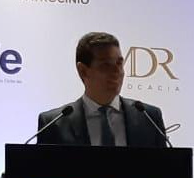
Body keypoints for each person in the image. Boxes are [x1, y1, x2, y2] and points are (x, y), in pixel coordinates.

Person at [36, 32, 168, 147]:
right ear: (83, 71)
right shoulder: (54, 123)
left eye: (119, 63)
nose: (117, 71)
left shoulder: (149, 117)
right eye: (106, 65)